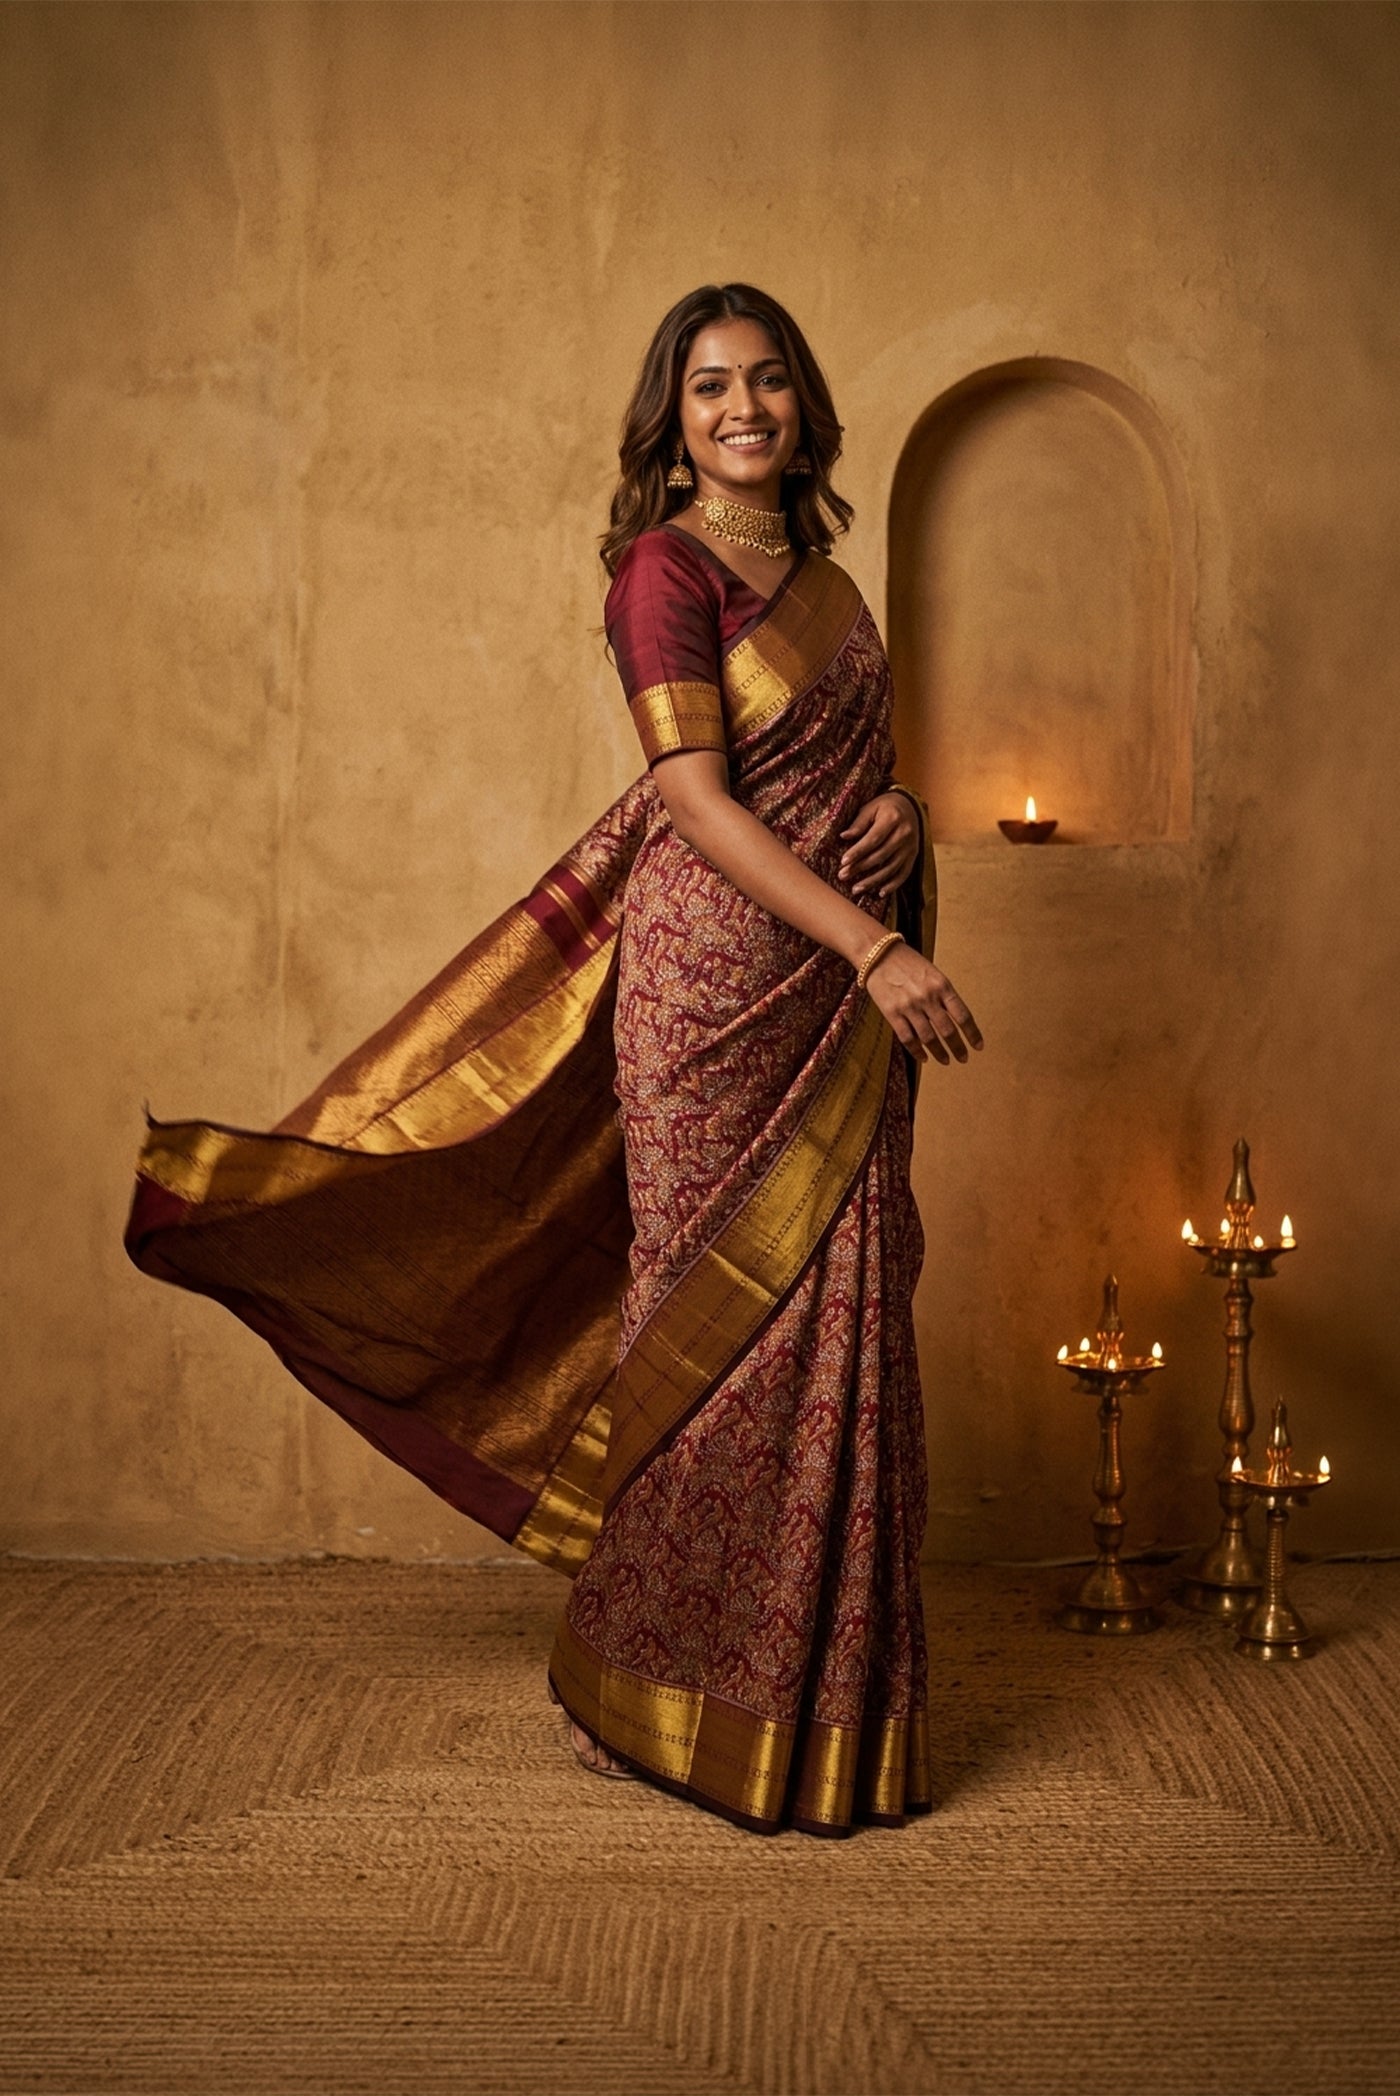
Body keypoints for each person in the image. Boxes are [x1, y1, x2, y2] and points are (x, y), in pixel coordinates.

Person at [125, 283, 982, 1839]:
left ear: (804, 407)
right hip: (717, 985)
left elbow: (866, 771)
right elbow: (700, 801)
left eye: (769, 381)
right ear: (673, 419)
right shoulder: (660, 568)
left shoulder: (839, 591)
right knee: (711, 1332)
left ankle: (826, 1707)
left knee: (853, 1310)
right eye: (712, 386)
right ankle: (659, 1688)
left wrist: (910, 826)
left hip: (836, 991)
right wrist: (877, 943)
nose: (744, 409)